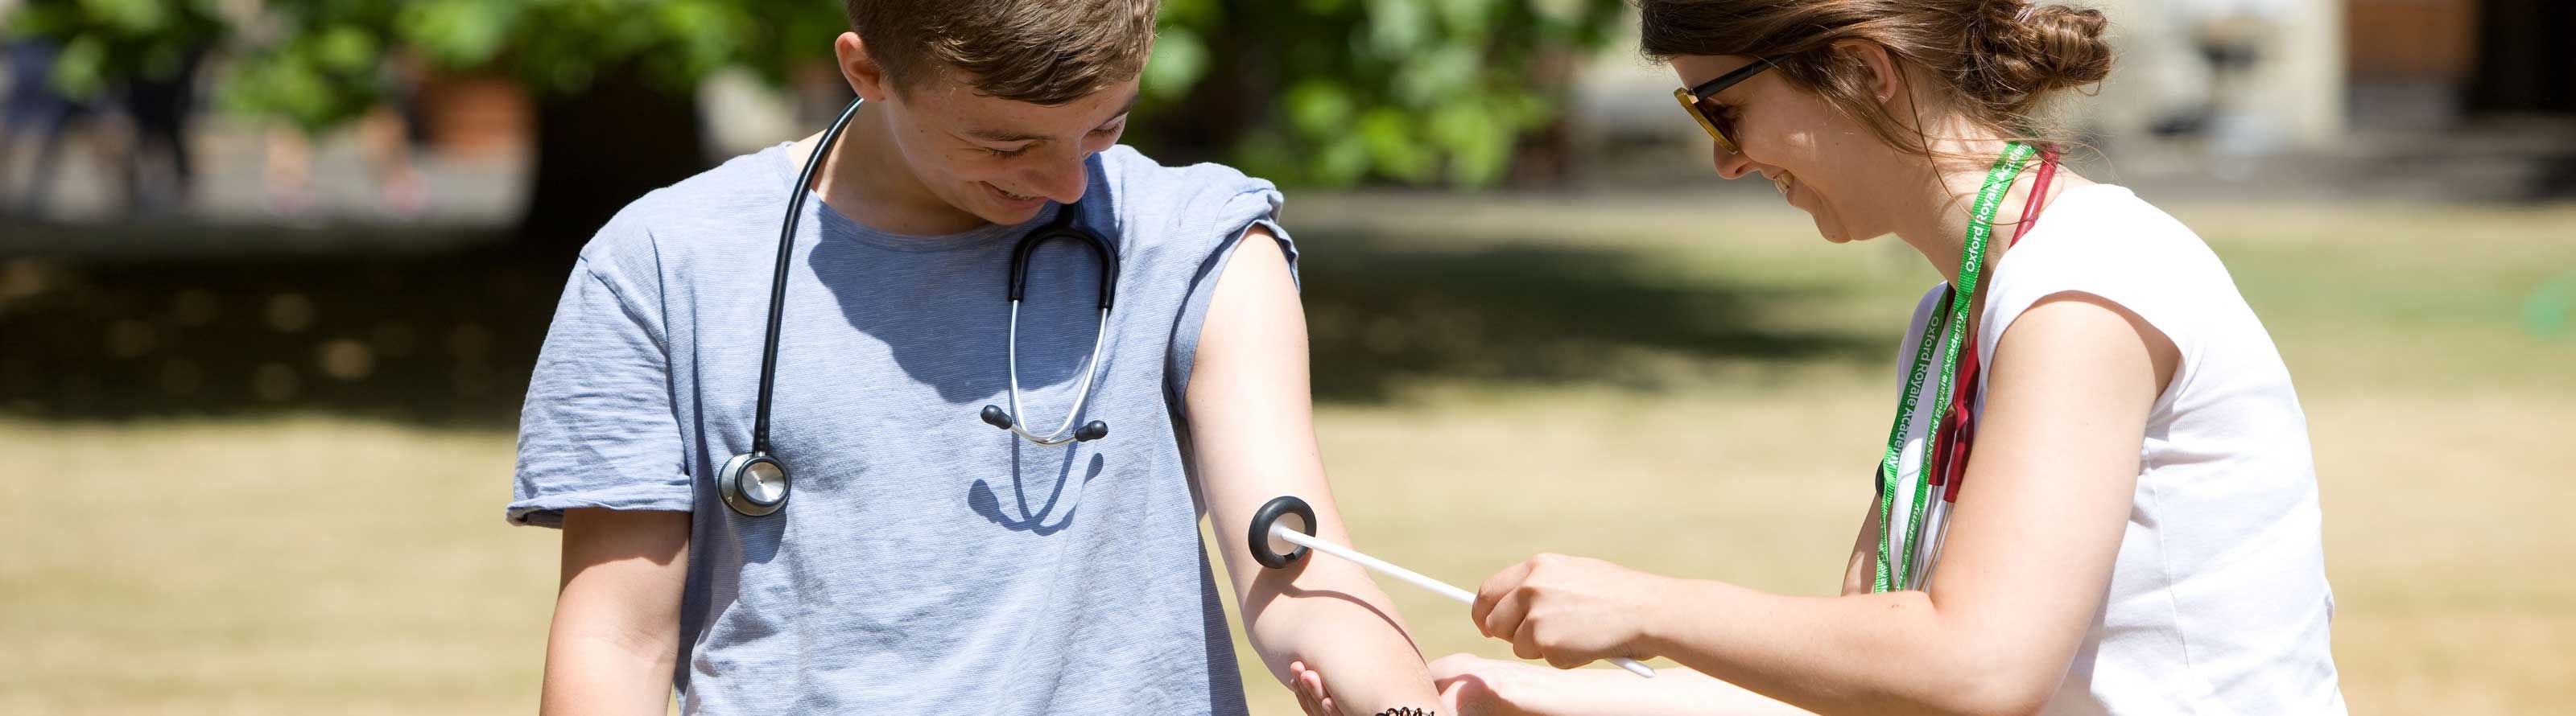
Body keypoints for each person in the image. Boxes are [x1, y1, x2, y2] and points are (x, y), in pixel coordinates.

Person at [1290, 2, 2344, 714]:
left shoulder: (2086, 289)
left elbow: (1983, 662)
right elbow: (1877, 682)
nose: (1724, 158)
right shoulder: (1954, 316)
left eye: (1723, 105)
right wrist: (1594, 697)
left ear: (1860, 71)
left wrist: (1647, 604)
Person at [507, 1, 1443, 713]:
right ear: (866, 70)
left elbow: (1297, 565)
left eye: (1105, 125)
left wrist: (1407, 705)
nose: (1068, 179)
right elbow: (616, 637)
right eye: (1007, 141)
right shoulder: (664, 264)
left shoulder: (1205, 244)